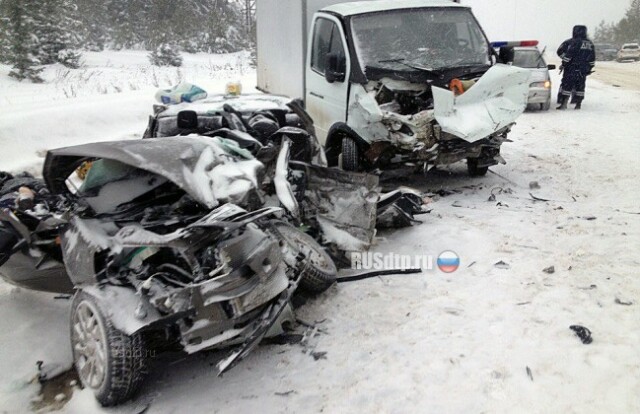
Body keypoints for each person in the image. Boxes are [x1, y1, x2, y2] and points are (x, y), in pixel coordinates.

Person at [556, 25, 596, 110]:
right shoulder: (590, 43)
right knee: (580, 86)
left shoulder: (573, 42)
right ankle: (578, 104)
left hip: (571, 68)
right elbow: (592, 58)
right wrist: (589, 68)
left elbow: (568, 54)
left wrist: (564, 63)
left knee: (567, 85)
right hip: (583, 70)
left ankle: (564, 104)